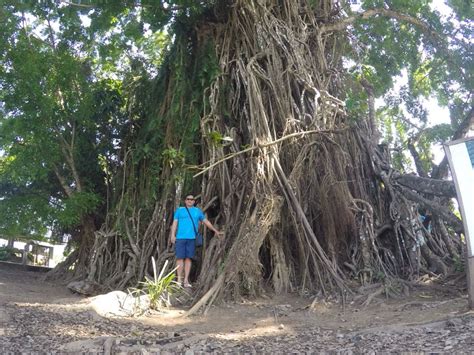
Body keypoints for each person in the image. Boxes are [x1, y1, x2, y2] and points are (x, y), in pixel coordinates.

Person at [170, 194, 223, 288]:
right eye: (188, 199)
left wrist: (215, 230)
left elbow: (206, 221)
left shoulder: (197, 211)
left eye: (192, 199)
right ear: (185, 201)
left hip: (192, 238)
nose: (190, 200)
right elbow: (174, 223)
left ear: (194, 201)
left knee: (188, 258)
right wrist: (172, 235)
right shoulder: (179, 210)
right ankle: (179, 280)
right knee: (180, 258)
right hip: (180, 238)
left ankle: (186, 280)